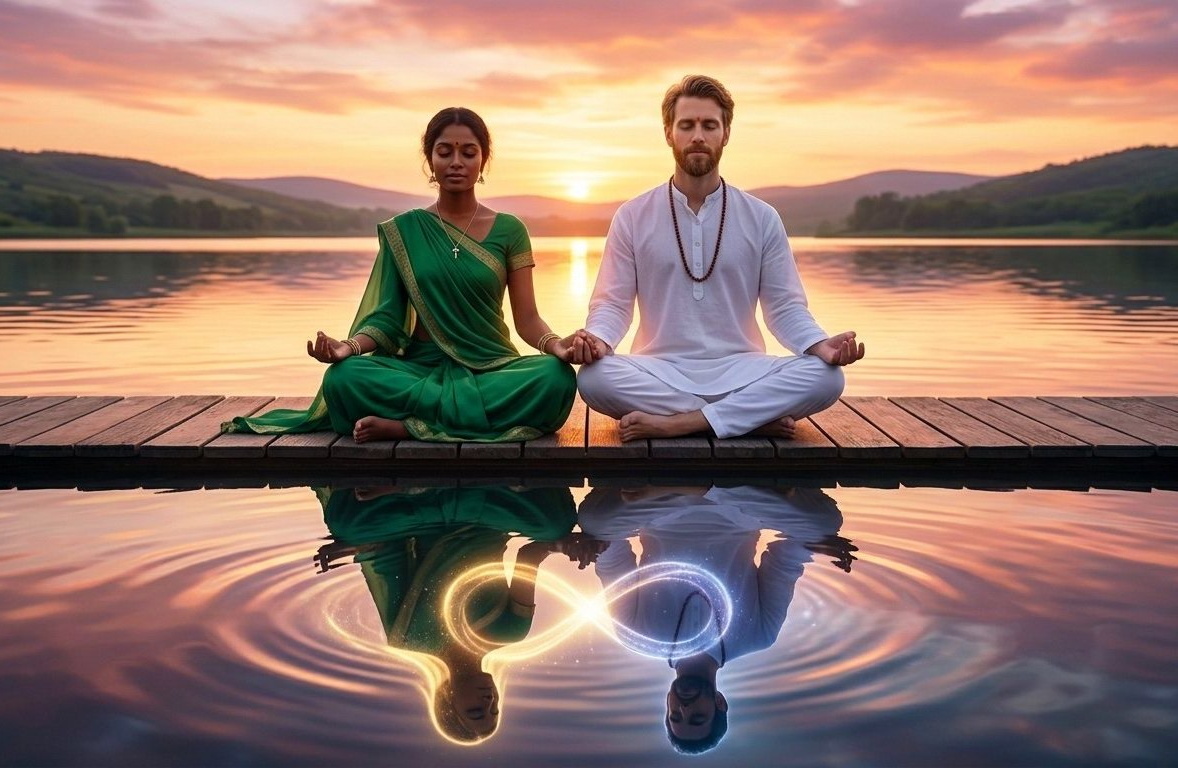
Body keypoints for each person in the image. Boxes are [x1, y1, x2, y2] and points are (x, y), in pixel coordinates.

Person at [224, 107, 577, 442]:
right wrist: (347, 348)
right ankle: (452, 420)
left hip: (492, 366)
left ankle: (408, 427)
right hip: (417, 369)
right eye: (445, 152)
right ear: (430, 160)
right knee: (343, 379)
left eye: (468, 153)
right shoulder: (405, 230)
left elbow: (528, 319)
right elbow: (387, 320)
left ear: (483, 160)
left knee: (555, 378)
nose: (456, 162)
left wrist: (557, 346)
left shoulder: (509, 230)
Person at [574, 75, 865, 442]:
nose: (698, 135)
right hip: (658, 369)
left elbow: (785, 307)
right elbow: (612, 304)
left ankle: (685, 423)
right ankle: (749, 416)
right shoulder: (632, 215)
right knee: (594, 378)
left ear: (725, 133)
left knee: (827, 377)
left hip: (742, 367)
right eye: (687, 125)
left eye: (709, 125)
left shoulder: (761, 217)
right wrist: (597, 339)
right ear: (669, 133)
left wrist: (820, 346)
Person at [578, 484, 857, 754]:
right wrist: (812, 545)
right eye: (697, 717)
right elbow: (784, 564)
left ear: (667, 703)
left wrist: (592, 547)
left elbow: (611, 558)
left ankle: (699, 487)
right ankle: (706, 487)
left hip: (662, 512)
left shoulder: (636, 636)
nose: (684, 709)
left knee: (595, 521)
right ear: (720, 703)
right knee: (825, 523)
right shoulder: (758, 637)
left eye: (675, 715)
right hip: (737, 514)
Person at [315, 484, 595, 744]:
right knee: (555, 524)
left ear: (446, 700)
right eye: (495, 709)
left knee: (346, 525)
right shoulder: (510, 632)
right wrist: (564, 545)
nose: (490, 701)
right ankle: (464, 480)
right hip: (486, 515)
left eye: (476, 711)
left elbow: (387, 560)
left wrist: (360, 545)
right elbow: (528, 557)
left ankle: (422, 483)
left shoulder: (409, 639)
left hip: (424, 516)